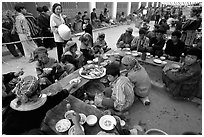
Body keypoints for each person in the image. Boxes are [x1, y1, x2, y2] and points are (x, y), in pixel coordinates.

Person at [2, 75, 78, 135]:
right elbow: (61, 95)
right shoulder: (42, 104)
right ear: (38, 91)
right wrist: (72, 84)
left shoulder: (13, 99)